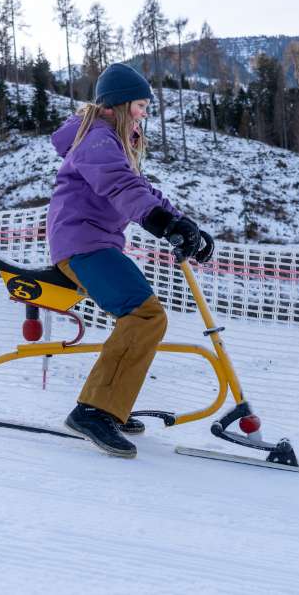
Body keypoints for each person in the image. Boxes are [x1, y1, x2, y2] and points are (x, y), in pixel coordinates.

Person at [46, 62, 214, 458]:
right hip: (83, 244)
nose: (144, 114)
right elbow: (121, 186)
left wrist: (183, 224)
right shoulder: (98, 139)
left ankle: (109, 406)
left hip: (94, 244)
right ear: (118, 105)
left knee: (142, 316)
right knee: (144, 315)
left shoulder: (110, 140)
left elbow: (142, 189)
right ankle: (95, 411)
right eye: (140, 105)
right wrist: (162, 223)